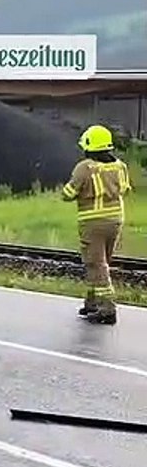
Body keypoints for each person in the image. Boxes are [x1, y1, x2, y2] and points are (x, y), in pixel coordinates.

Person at [62, 124, 132, 325]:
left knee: (95, 264)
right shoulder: (121, 166)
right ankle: (92, 303)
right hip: (116, 220)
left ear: (89, 147)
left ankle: (107, 309)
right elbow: (125, 190)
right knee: (102, 263)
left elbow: (68, 194)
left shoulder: (84, 168)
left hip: (93, 222)